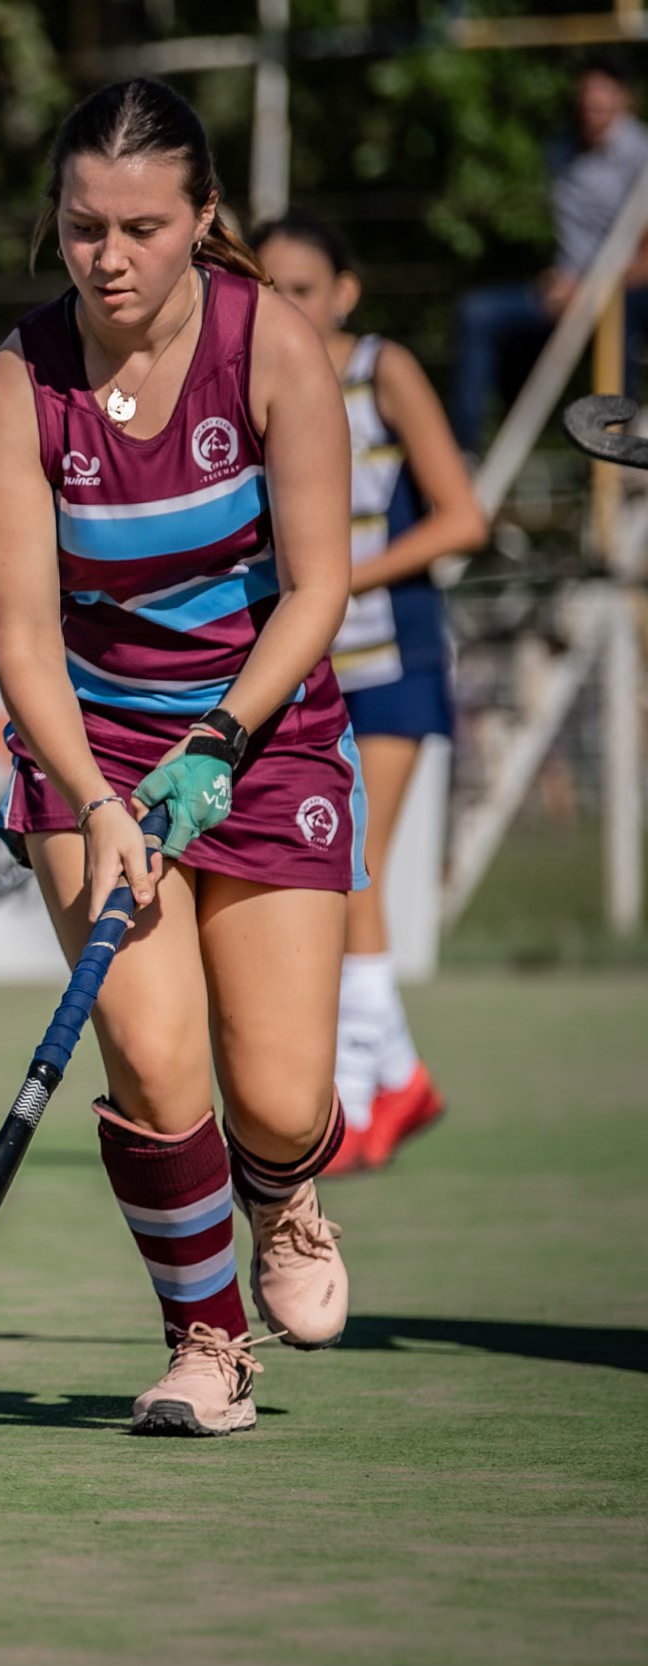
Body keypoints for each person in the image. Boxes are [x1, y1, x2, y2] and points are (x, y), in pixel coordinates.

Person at [0, 80, 359, 1436]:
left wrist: (221, 742)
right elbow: (19, 631)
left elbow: (318, 588)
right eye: (85, 228)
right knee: (150, 1053)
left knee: (278, 1094)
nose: (110, 257)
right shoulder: (22, 382)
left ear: (203, 219)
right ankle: (207, 1343)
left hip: (264, 729)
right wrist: (94, 795)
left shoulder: (274, 348)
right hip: (93, 742)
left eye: (142, 226)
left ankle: (288, 1197)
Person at [254, 213, 490, 1173]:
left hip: (392, 656)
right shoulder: (255, 375)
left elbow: (462, 518)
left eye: (303, 289)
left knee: (352, 868)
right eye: (268, 290)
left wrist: (345, 578)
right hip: (302, 667)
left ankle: (355, 1096)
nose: (286, 307)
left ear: (344, 292)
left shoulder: (382, 367)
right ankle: (394, 1075)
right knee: (332, 872)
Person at [452, 56, 648, 451]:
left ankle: (617, 447)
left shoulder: (641, 155)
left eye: (601, 105)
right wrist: (562, 281)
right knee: (479, 314)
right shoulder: (560, 152)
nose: (592, 113)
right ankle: (466, 454)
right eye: (586, 104)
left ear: (622, 101)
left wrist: (591, 290)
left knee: (620, 325)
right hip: (567, 293)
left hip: (624, 293)